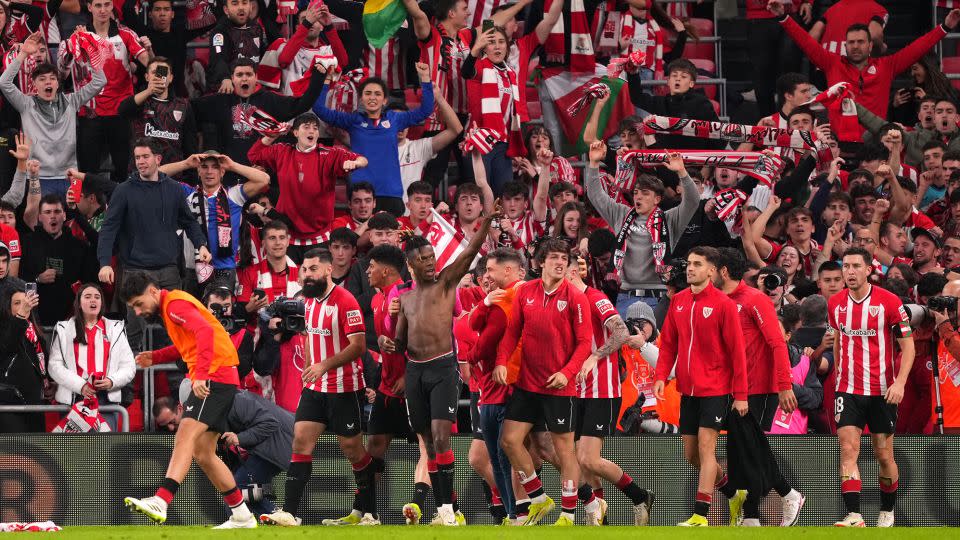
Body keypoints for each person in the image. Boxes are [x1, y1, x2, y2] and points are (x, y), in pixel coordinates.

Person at [379, 209, 497, 526]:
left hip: (443, 369)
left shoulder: (447, 283)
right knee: (429, 445)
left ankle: (444, 509)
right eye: (424, 259)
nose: (431, 262)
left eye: (432, 256)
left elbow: (471, 250)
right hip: (415, 372)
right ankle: (452, 507)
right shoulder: (405, 299)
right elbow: (400, 343)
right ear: (410, 264)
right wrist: (387, 343)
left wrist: (486, 223)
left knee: (441, 438)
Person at [120, 272, 255, 528]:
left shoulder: (174, 305)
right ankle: (242, 516)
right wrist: (156, 357)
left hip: (214, 375)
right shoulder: (173, 306)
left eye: (138, 304)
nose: (137, 312)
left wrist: (201, 375)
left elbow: (205, 331)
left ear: (151, 291)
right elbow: (191, 342)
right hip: (219, 374)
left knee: (184, 434)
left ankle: (161, 500)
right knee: (203, 453)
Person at [260, 248, 371, 527]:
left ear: (328, 270)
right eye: (304, 270)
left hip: (345, 387)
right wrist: (311, 367)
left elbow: (358, 346)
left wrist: (324, 365)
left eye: (312, 270)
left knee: (353, 450)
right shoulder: (308, 302)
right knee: (300, 441)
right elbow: (310, 336)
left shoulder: (346, 301)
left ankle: (368, 512)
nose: (306, 275)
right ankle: (289, 512)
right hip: (316, 387)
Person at [489, 238, 591, 527]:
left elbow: (585, 344)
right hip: (527, 384)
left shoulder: (575, 297)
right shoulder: (526, 293)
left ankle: (568, 515)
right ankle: (538, 497)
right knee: (509, 441)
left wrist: (566, 373)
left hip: (560, 388)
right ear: (541, 262)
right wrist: (501, 361)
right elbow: (511, 333)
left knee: (563, 450)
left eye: (564, 258)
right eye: (555, 258)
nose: (560, 262)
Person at [770, 0, 960, 142]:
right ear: (845, 45)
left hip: (877, 145)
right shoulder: (832, 63)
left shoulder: (887, 66)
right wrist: (783, 17)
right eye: (851, 42)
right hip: (839, 145)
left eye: (860, 42)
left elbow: (917, 48)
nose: (855, 46)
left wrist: (945, 27)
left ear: (870, 45)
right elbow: (806, 43)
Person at [653, 246, 748, 527]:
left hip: (716, 389)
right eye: (689, 264)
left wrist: (740, 395)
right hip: (687, 390)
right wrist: (661, 376)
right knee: (691, 455)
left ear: (711, 270)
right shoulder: (679, 301)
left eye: (697, 264)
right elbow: (669, 343)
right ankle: (734, 493)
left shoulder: (723, 304)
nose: (690, 268)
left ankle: (700, 515)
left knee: (707, 451)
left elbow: (737, 353)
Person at [714, 248, 805, 526]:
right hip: (733, 386)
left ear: (723, 271)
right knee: (741, 448)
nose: (707, 272)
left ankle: (787, 494)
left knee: (750, 445)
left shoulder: (755, 299)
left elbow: (778, 343)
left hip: (760, 386)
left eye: (710, 267)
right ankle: (751, 514)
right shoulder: (720, 300)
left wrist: (784, 385)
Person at [827, 247, 915, 527]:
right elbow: (839, 339)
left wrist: (899, 383)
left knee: (883, 454)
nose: (850, 271)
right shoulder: (835, 303)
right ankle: (854, 515)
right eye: (846, 266)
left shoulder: (889, 302)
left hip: (881, 390)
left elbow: (908, 347)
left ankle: (887, 511)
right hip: (848, 389)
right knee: (848, 448)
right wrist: (840, 371)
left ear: (868, 270)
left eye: (856, 266)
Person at [568, 256, 654, 526]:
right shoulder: (563, 302)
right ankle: (600, 519)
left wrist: (595, 356)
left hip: (601, 390)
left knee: (587, 457)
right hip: (575, 388)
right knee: (580, 459)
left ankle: (639, 495)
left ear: (571, 272)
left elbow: (619, 331)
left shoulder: (595, 297)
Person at [97, 138, 211, 324]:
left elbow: (189, 222)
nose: (140, 162)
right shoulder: (123, 190)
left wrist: (201, 245)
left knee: (174, 329)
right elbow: (109, 229)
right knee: (135, 332)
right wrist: (104, 262)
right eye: (137, 157)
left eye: (145, 156)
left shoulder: (174, 189)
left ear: (158, 159)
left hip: (169, 270)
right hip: (135, 271)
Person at [585, 140, 699, 316]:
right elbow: (595, 195)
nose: (638, 197)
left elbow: (692, 201)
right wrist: (593, 163)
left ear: (657, 199)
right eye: (636, 192)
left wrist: (682, 172)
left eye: (645, 193)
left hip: (659, 298)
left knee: (657, 344)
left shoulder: (669, 219)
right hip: (625, 297)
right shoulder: (621, 214)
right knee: (625, 344)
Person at [312, 62, 434, 216]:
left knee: (389, 239)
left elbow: (426, 110)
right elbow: (319, 109)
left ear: (384, 100)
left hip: (390, 193)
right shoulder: (354, 120)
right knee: (363, 238)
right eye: (368, 93)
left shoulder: (395, 119)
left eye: (377, 94)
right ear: (361, 99)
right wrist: (326, 80)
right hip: (361, 195)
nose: (372, 97)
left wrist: (425, 78)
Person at [153, 392, 294, 518]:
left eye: (171, 422)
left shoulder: (237, 401)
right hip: (269, 447)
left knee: (236, 491)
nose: (171, 428)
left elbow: (269, 423)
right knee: (235, 493)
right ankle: (274, 517)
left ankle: (278, 518)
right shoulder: (212, 413)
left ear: (180, 408)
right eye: (165, 427)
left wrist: (240, 438)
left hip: (280, 443)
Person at [247, 112, 366, 260]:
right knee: (290, 283)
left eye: (315, 128)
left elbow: (362, 159)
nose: (312, 131)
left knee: (317, 281)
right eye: (307, 127)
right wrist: (273, 135)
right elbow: (254, 155)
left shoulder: (329, 154)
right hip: (288, 235)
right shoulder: (282, 151)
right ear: (295, 132)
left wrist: (355, 163)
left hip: (320, 237)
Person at [0, 32, 105, 196]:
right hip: (36, 176)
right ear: (34, 84)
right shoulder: (26, 104)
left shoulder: (72, 101)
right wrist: (24, 53)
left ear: (58, 83)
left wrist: (88, 55)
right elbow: (4, 83)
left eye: (52, 78)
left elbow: (100, 81)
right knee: (38, 220)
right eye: (42, 79)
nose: (48, 82)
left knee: (73, 219)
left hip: (71, 176)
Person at [63, 0, 153, 183]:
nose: (103, 10)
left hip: (120, 111)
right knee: (88, 174)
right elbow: (62, 73)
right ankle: (90, 212)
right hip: (89, 112)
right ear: (89, 8)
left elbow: (152, 64)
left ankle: (123, 209)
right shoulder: (76, 36)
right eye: (98, 5)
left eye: (107, 4)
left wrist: (151, 52)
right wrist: (71, 50)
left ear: (113, 6)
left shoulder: (126, 34)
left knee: (124, 171)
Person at [161, 150, 271, 291]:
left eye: (215, 167)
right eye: (205, 167)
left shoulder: (234, 194)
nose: (209, 171)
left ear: (222, 172)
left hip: (223, 270)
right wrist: (186, 163)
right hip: (193, 270)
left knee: (218, 312)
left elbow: (264, 179)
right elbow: (155, 176)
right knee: (193, 314)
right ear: (198, 171)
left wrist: (232, 165)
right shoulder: (187, 193)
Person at [48, 283, 136, 429]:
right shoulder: (64, 329)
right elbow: (54, 366)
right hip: (73, 398)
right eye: (87, 297)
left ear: (102, 303)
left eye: (97, 297)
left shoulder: (115, 329)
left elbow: (129, 366)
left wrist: (111, 381)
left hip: (105, 399)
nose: (93, 300)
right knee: (74, 450)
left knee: (105, 450)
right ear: (79, 303)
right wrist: (80, 385)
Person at [20, 192, 98, 325]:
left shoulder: (79, 246)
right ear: (40, 217)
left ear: (64, 215)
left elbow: (90, 282)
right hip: (36, 317)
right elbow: (18, 276)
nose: (52, 216)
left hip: (71, 318)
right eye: (47, 212)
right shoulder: (27, 243)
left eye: (57, 211)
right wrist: (37, 278)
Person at [118, 56, 198, 169]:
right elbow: (122, 110)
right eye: (154, 72)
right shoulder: (139, 101)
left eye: (163, 72)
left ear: (170, 78)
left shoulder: (183, 105)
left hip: (174, 176)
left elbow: (190, 144)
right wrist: (149, 91)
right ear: (146, 77)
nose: (159, 76)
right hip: (141, 175)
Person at [0, 282, 45, 433]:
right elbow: (9, 346)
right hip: (10, 403)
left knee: (34, 453)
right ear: (7, 306)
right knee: (15, 453)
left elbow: (40, 359)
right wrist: (20, 317)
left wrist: (47, 380)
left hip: (34, 402)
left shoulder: (33, 328)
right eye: (17, 303)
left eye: (24, 302)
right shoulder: (5, 328)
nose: (22, 306)